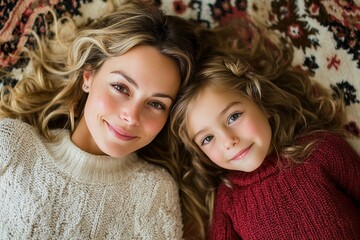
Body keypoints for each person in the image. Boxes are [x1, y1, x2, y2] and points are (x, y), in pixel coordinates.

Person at [0, 1, 199, 238]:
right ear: (89, 76)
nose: (132, 117)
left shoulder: (155, 193)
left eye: (156, 104)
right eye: (120, 87)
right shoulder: (11, 146)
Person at [170, 28, 360, 238]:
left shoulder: (321, 151)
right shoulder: (228, 200)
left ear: (262, 103)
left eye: (233, 117)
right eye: (207, 138)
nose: (228, 141)